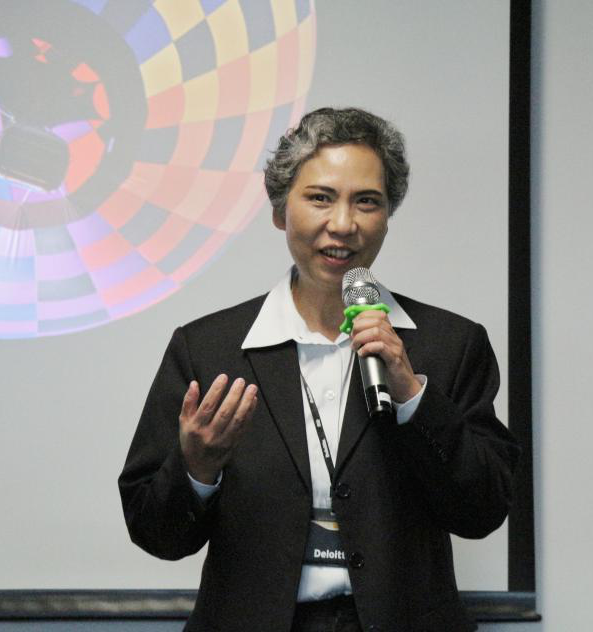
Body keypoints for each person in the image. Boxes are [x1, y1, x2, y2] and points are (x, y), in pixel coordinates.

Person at [118, 107, 519, 632]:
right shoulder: (207, 349)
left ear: (388, 215)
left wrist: (413, 397)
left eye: (367, 201)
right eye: (321, 198)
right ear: (280, 211)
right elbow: (157, 534)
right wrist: (197, 469)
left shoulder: (450, 345)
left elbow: (483, 511)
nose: (344, 224)